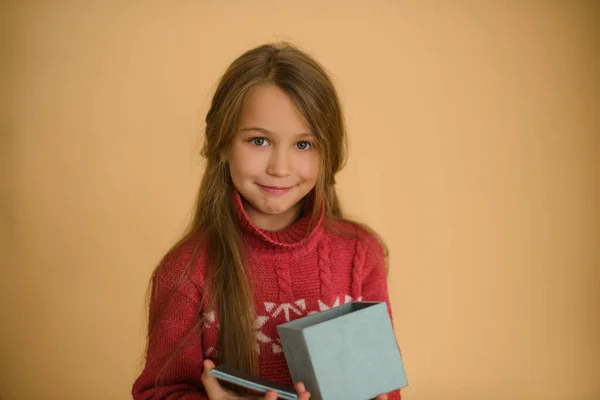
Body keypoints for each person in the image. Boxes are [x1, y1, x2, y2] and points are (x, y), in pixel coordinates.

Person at [132, 42, 401, 400]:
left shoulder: (360, 254)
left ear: (328, 153)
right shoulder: (185, 273)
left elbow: (385, 389)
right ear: (222, 145)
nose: (280, 168)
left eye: (303, 145)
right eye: (259, 140)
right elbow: (159, 393)